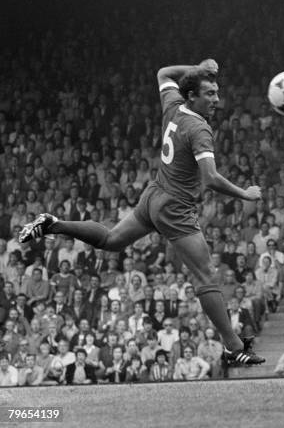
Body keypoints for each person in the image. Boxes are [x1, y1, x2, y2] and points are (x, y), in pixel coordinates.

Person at [18, 60, 263, 366]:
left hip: (154, 195)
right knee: (205, 276)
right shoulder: (199, 128)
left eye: (217, 92)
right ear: (192, 96)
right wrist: (245, 194)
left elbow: (163, 73)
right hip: (175, 207)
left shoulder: (174, 106)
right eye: (210, 93)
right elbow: (211, 178)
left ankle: (54, 224)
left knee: (111, 240)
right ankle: (232, 346)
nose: (217, 100)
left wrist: (198, 69)